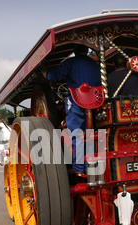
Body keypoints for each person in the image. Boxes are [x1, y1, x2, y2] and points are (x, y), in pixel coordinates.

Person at [46, 44, 101, 173]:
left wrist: (46, 73)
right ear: (86, 51)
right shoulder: (94, 64)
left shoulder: (70, 63)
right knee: (91, 133)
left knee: (77, 133)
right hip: (95, 101)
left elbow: (54, 76)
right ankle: (91, 163)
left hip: (77, 101)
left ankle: (80, 167)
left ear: (75, 51)